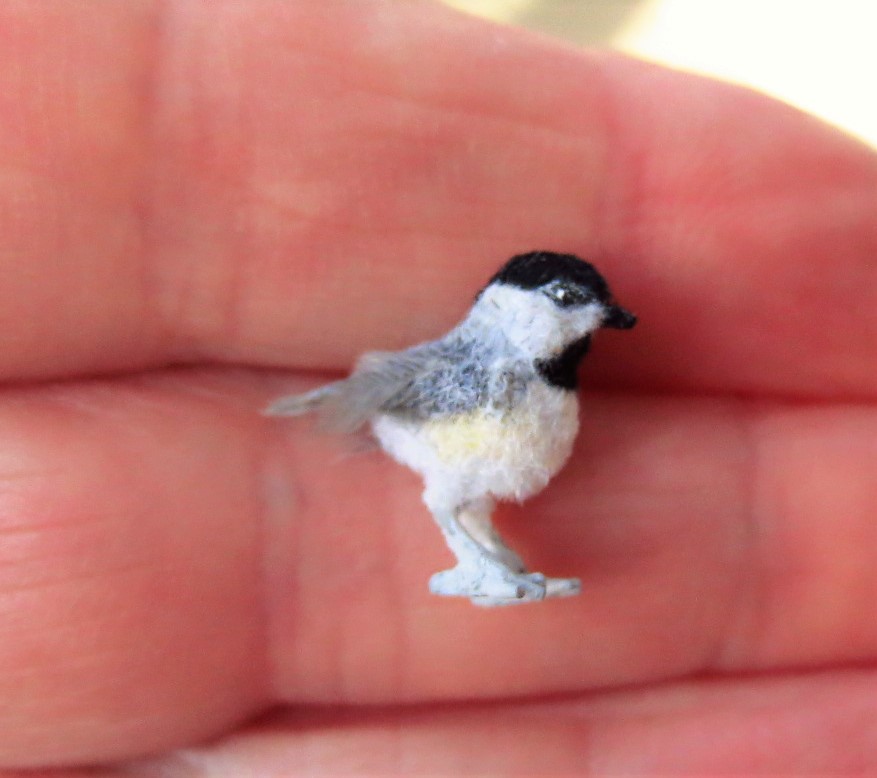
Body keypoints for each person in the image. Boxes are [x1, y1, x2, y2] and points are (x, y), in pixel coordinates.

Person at [1, 1, 874, 773]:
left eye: (591, 307)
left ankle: (489, 563)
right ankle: (478, 563)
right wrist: (351, 408)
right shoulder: (486, 371)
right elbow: (403, 390)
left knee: (470, 501)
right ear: (513, 306)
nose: (587, 318)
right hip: (426, 422)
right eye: (567, 303)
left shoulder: (549, 384)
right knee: (451, 498)